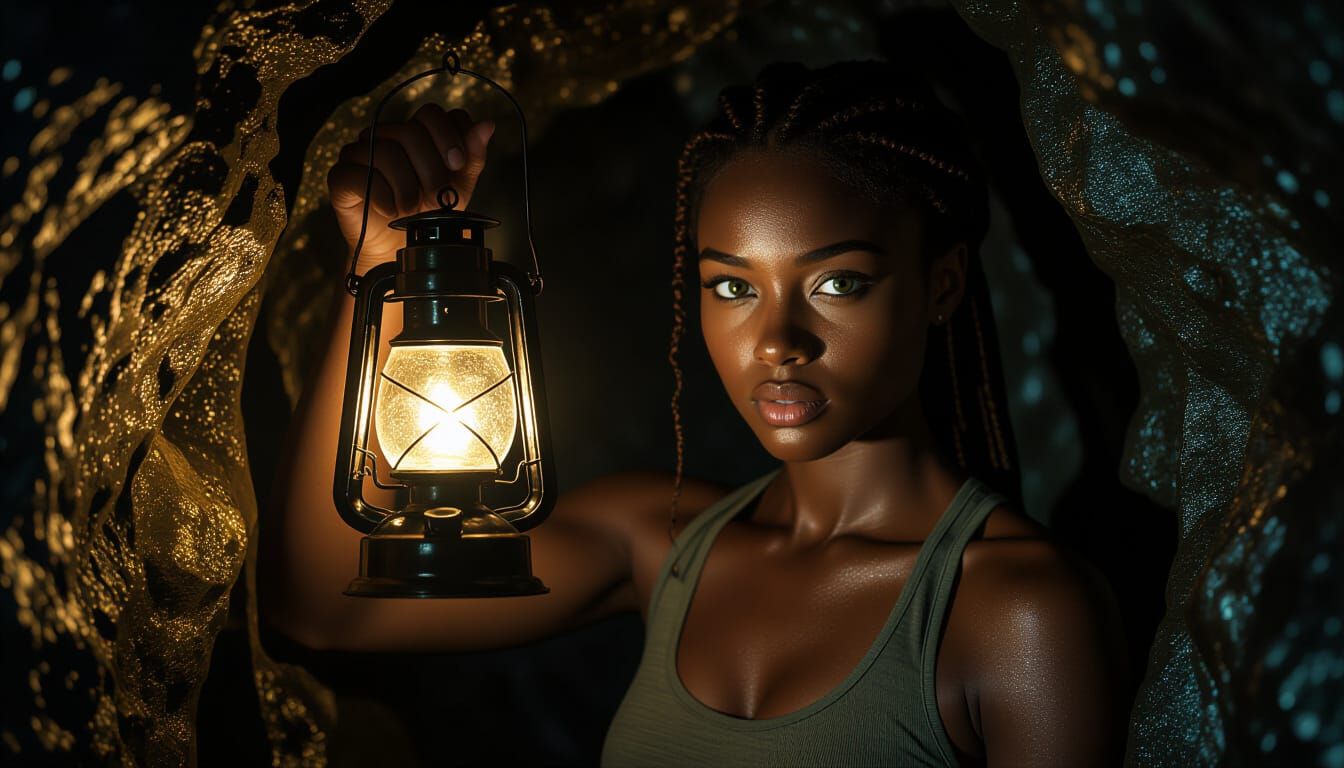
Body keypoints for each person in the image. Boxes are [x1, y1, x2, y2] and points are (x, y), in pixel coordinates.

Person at [264, 60, 1129, 766]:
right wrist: (383, 273)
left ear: (941, 285)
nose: (777, 341)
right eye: (732, 286)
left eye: (837, 283)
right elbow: (327, 603)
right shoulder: (663, 542)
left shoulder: (1016, 609)